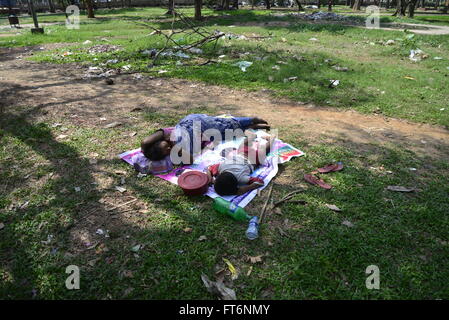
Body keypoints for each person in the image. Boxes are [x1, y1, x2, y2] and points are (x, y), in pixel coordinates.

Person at [140, 114, 269, 168]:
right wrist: (175, 149)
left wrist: (145, 146)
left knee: (225, 124)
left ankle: (251, 120)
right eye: (166, 152)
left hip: (195, 122)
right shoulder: (176, 152)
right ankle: (252, 126)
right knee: (227, 134)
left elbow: (145, 142)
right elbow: (190, 161)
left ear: (158, 142)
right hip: (202, 134)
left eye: (165, 147)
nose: (168, 148)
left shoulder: (164, 134)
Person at [207, 131, 276, 196]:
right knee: (244, 145)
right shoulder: (221, 168)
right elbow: (209, 168)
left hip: (252, 160)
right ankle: (252, 137)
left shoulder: (241, 179)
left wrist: (246, 188)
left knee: (264, 151)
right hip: (241, 154)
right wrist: (210, 177)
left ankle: (271, 139)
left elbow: (260, 182)